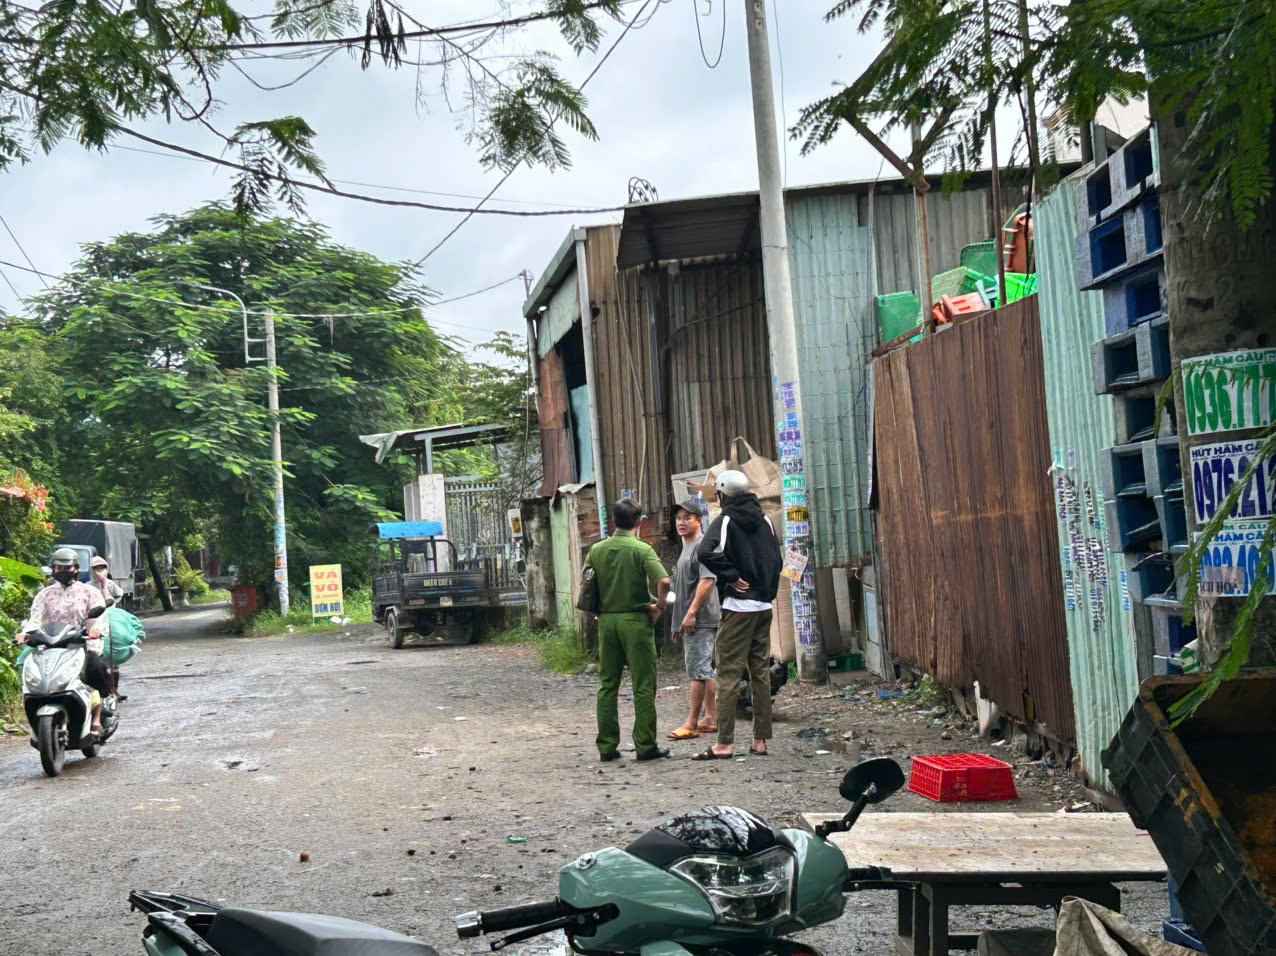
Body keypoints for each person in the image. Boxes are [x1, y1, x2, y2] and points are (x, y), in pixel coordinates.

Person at [693, 470, 782, 760]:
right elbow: (776, 559)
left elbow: (705, 552)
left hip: (738, 608)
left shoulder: (726, 520)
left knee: (728, 673)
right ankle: (760, 740)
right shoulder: (765, 519)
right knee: (760, 673)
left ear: (722, 494)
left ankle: (724, 743)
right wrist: (766, 589)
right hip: (764, 607)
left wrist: (731, 576)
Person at [588, 499, 672, 762]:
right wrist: (659, 606)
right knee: (643, 684)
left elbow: (588, 585)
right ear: (638, 521)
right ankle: (645, 745)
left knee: (607, 684)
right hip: (635, 622)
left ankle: (607, 747)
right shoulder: (641, 549)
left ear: (614, 521)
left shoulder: (596, 550)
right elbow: (664, 580)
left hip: (607, 622)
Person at [19, 547, 109, 738]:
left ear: (76, 568)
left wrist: (95, 630)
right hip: (51, 644)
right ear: (53, 569)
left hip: (82, 642)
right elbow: (35, 618)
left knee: (94, 669)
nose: (63, 571)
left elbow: (98, 617)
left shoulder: (89, 592)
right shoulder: (45, 594)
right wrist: (25, 634)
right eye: (58, 567)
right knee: (29, 669)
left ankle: (97, 716)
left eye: (67, 567)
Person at [667, 498, 720, 741]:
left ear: (699, 520)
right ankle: (710, 718)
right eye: (678, 518)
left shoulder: (701, 546)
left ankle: (690, 723)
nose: (681, 522)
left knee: (697, 672)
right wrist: (677, 621)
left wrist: (690, 614)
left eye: (687, 518)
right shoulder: (686, 546)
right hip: (691, 619)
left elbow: (707, 582)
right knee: (704, 669)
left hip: (700, 619)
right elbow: (683, 588)